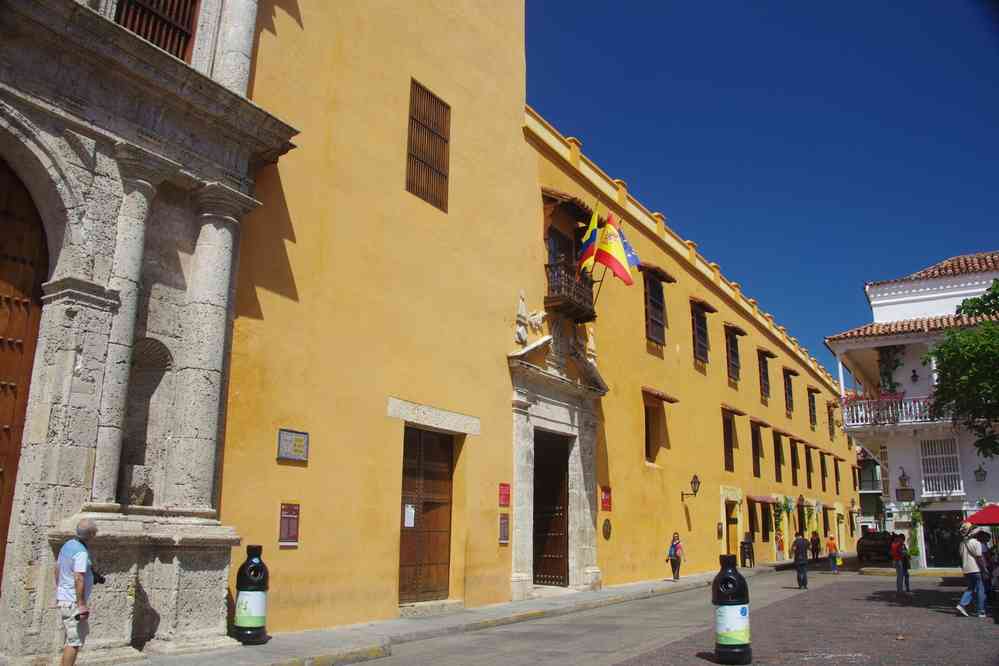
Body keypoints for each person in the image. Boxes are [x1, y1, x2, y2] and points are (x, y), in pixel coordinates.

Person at [55, 518, 98, 665]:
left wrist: (60, 589)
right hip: (73, 602)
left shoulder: (68, 545)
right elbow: (79, 577)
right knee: (74, 641)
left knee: (71, 638)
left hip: (65, 598)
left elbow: (57, 567)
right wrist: (81, 604)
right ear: (92, 534)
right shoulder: (81, 552)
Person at [956, 522, 986, 618]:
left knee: (971, 588)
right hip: (976, 569)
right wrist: (984, 569)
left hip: (966, 569)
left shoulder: (961, 544)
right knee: (980, 589)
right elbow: (979, 558)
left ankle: (962, 605)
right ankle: (981, 611)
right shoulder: (976, 543)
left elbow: (960, 557)